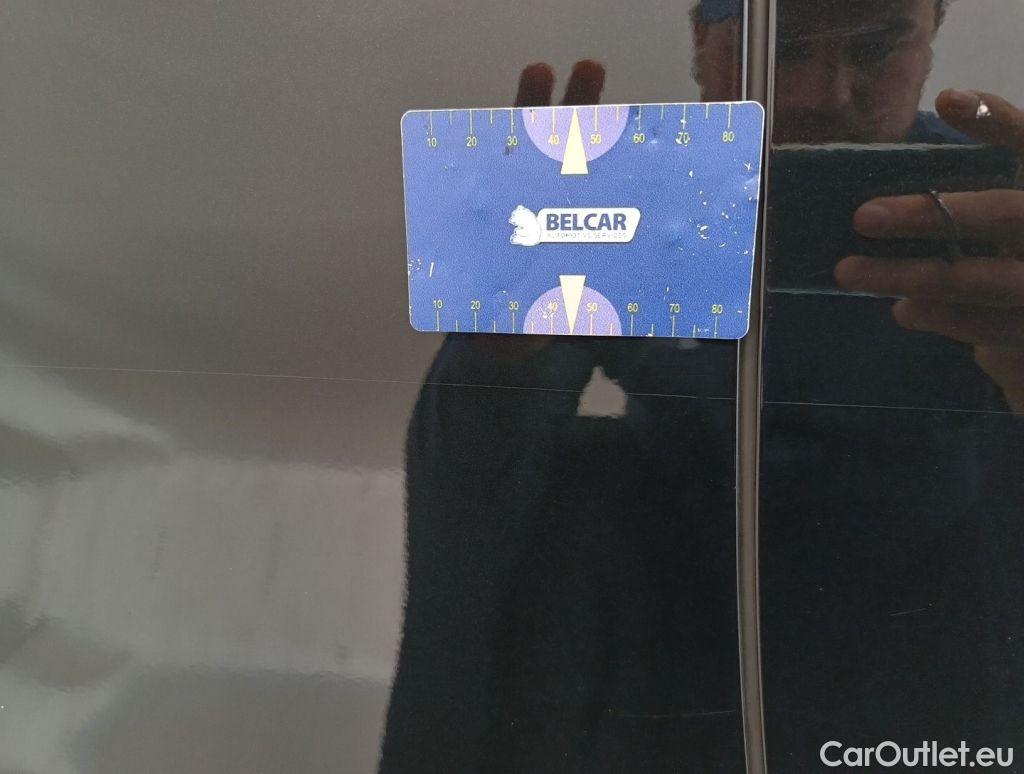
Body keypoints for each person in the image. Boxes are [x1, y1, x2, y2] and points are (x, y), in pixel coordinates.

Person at [380, 2, 1024, 771]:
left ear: (933, 34)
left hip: (928, 625)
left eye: (878, 46)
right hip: (680, 629)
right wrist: (502, 341)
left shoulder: (998, 206)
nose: (822, 94)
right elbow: (482, 461)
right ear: (701, 44)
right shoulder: (643, 184)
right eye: (781, 47)